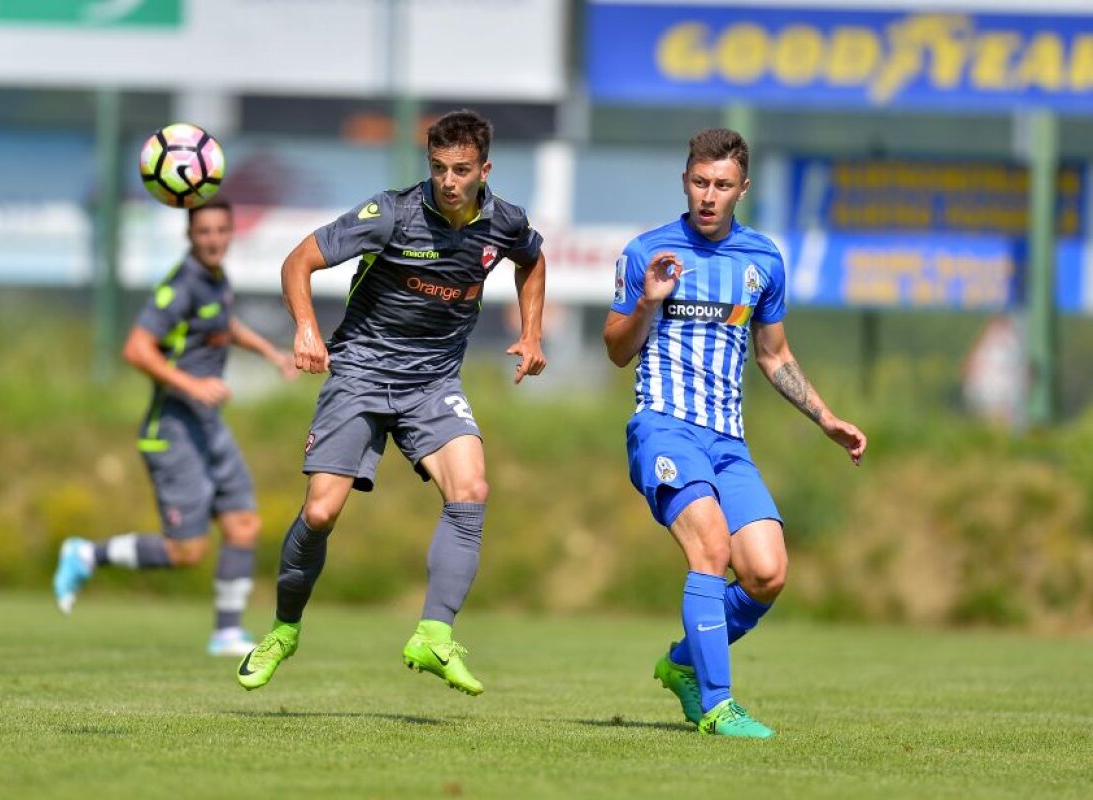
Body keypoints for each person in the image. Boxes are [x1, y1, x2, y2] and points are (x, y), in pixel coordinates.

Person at [236, 109, 547, 696]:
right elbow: (297, 261)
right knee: (322, 513)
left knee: (472, 490)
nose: (448, 181)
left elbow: (532, 260)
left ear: (485, 169)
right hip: (358, 372)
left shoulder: (505, 222)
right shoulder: (391, 214)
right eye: (437, 168)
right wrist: (305, 328)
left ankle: (434, 633)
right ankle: (283, 629)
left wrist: (531, 334)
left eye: (460, 170)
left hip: (433, 383)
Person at [603, 128, 867, 738]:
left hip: (728, 442)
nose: (709, 196)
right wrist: (647, 303)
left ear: (742, 188)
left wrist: (826, 417)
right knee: (711, 551)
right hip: (663, 429)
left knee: (767, 573)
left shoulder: (762, 259)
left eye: (722, 185)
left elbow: (773, 356)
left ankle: (681, 664)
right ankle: (719, 704)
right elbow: (617, 351)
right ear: (685, 180)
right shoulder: (648, 251)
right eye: (700, 182)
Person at [52, 198, 298, 657]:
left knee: (244, 524)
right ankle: (86, 554)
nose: (212, 240)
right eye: (203, 232)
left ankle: (226, 632)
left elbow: (226, 325)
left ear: (230, 233)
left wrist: (271, 352)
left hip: (208, 426)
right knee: (186, 552)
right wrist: (192, 384)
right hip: (172, 430)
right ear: (190, 236)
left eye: (220, 231)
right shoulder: (179, 287)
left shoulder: (216, 280)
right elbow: (136, 349)